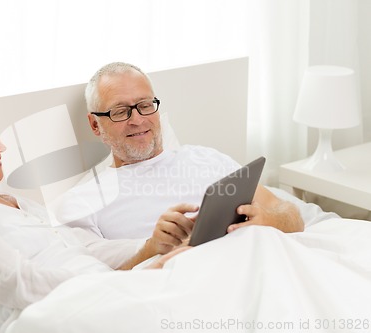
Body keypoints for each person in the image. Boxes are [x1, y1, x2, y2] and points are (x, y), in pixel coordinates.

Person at [0, 82, 188, 333]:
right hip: (59, 317)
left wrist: (153, 245)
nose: (0, 146)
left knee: (216, 254)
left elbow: (82, 250)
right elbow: (18, 283)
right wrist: (126, 283)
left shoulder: (15, 204)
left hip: (105, 296)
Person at [54, 61, 314, 245]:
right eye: (120, 111)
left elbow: (290, 215)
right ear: (95, 125)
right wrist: (151, 247)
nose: (137, 120)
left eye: (145, 105)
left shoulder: (206, 159)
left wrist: (269, 220)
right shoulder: (82, 201)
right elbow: (88, 278)